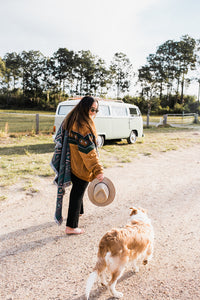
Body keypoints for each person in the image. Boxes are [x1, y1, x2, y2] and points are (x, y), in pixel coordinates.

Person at [52, 96, 104, 235]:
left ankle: (78, 213)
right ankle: (71, 226)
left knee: (77, 190)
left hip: (71, 162)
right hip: (81, 165)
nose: (94, 113)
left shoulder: (73, 117)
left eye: (96, 110)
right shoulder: (83, 125)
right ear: (85, 108)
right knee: (78, 192)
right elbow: (89, 152)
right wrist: (98, 170)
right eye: (92, 109)